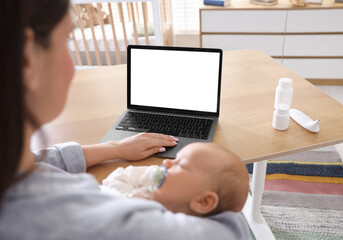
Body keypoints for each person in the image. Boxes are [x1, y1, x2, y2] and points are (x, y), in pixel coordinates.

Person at [0, 0, 250, 239]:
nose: (73, 65)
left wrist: (115, 148)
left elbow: (43, 160)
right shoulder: (118, 224)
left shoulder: (13, 168)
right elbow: (231, 230)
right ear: (27, 59)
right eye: (67, 39)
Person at [103, 142, 249, 217]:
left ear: (203, 201)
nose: (166, 162)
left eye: (181, 164)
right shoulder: (149, 182)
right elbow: (116, 178)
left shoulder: (178, 230)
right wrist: (129, 199)